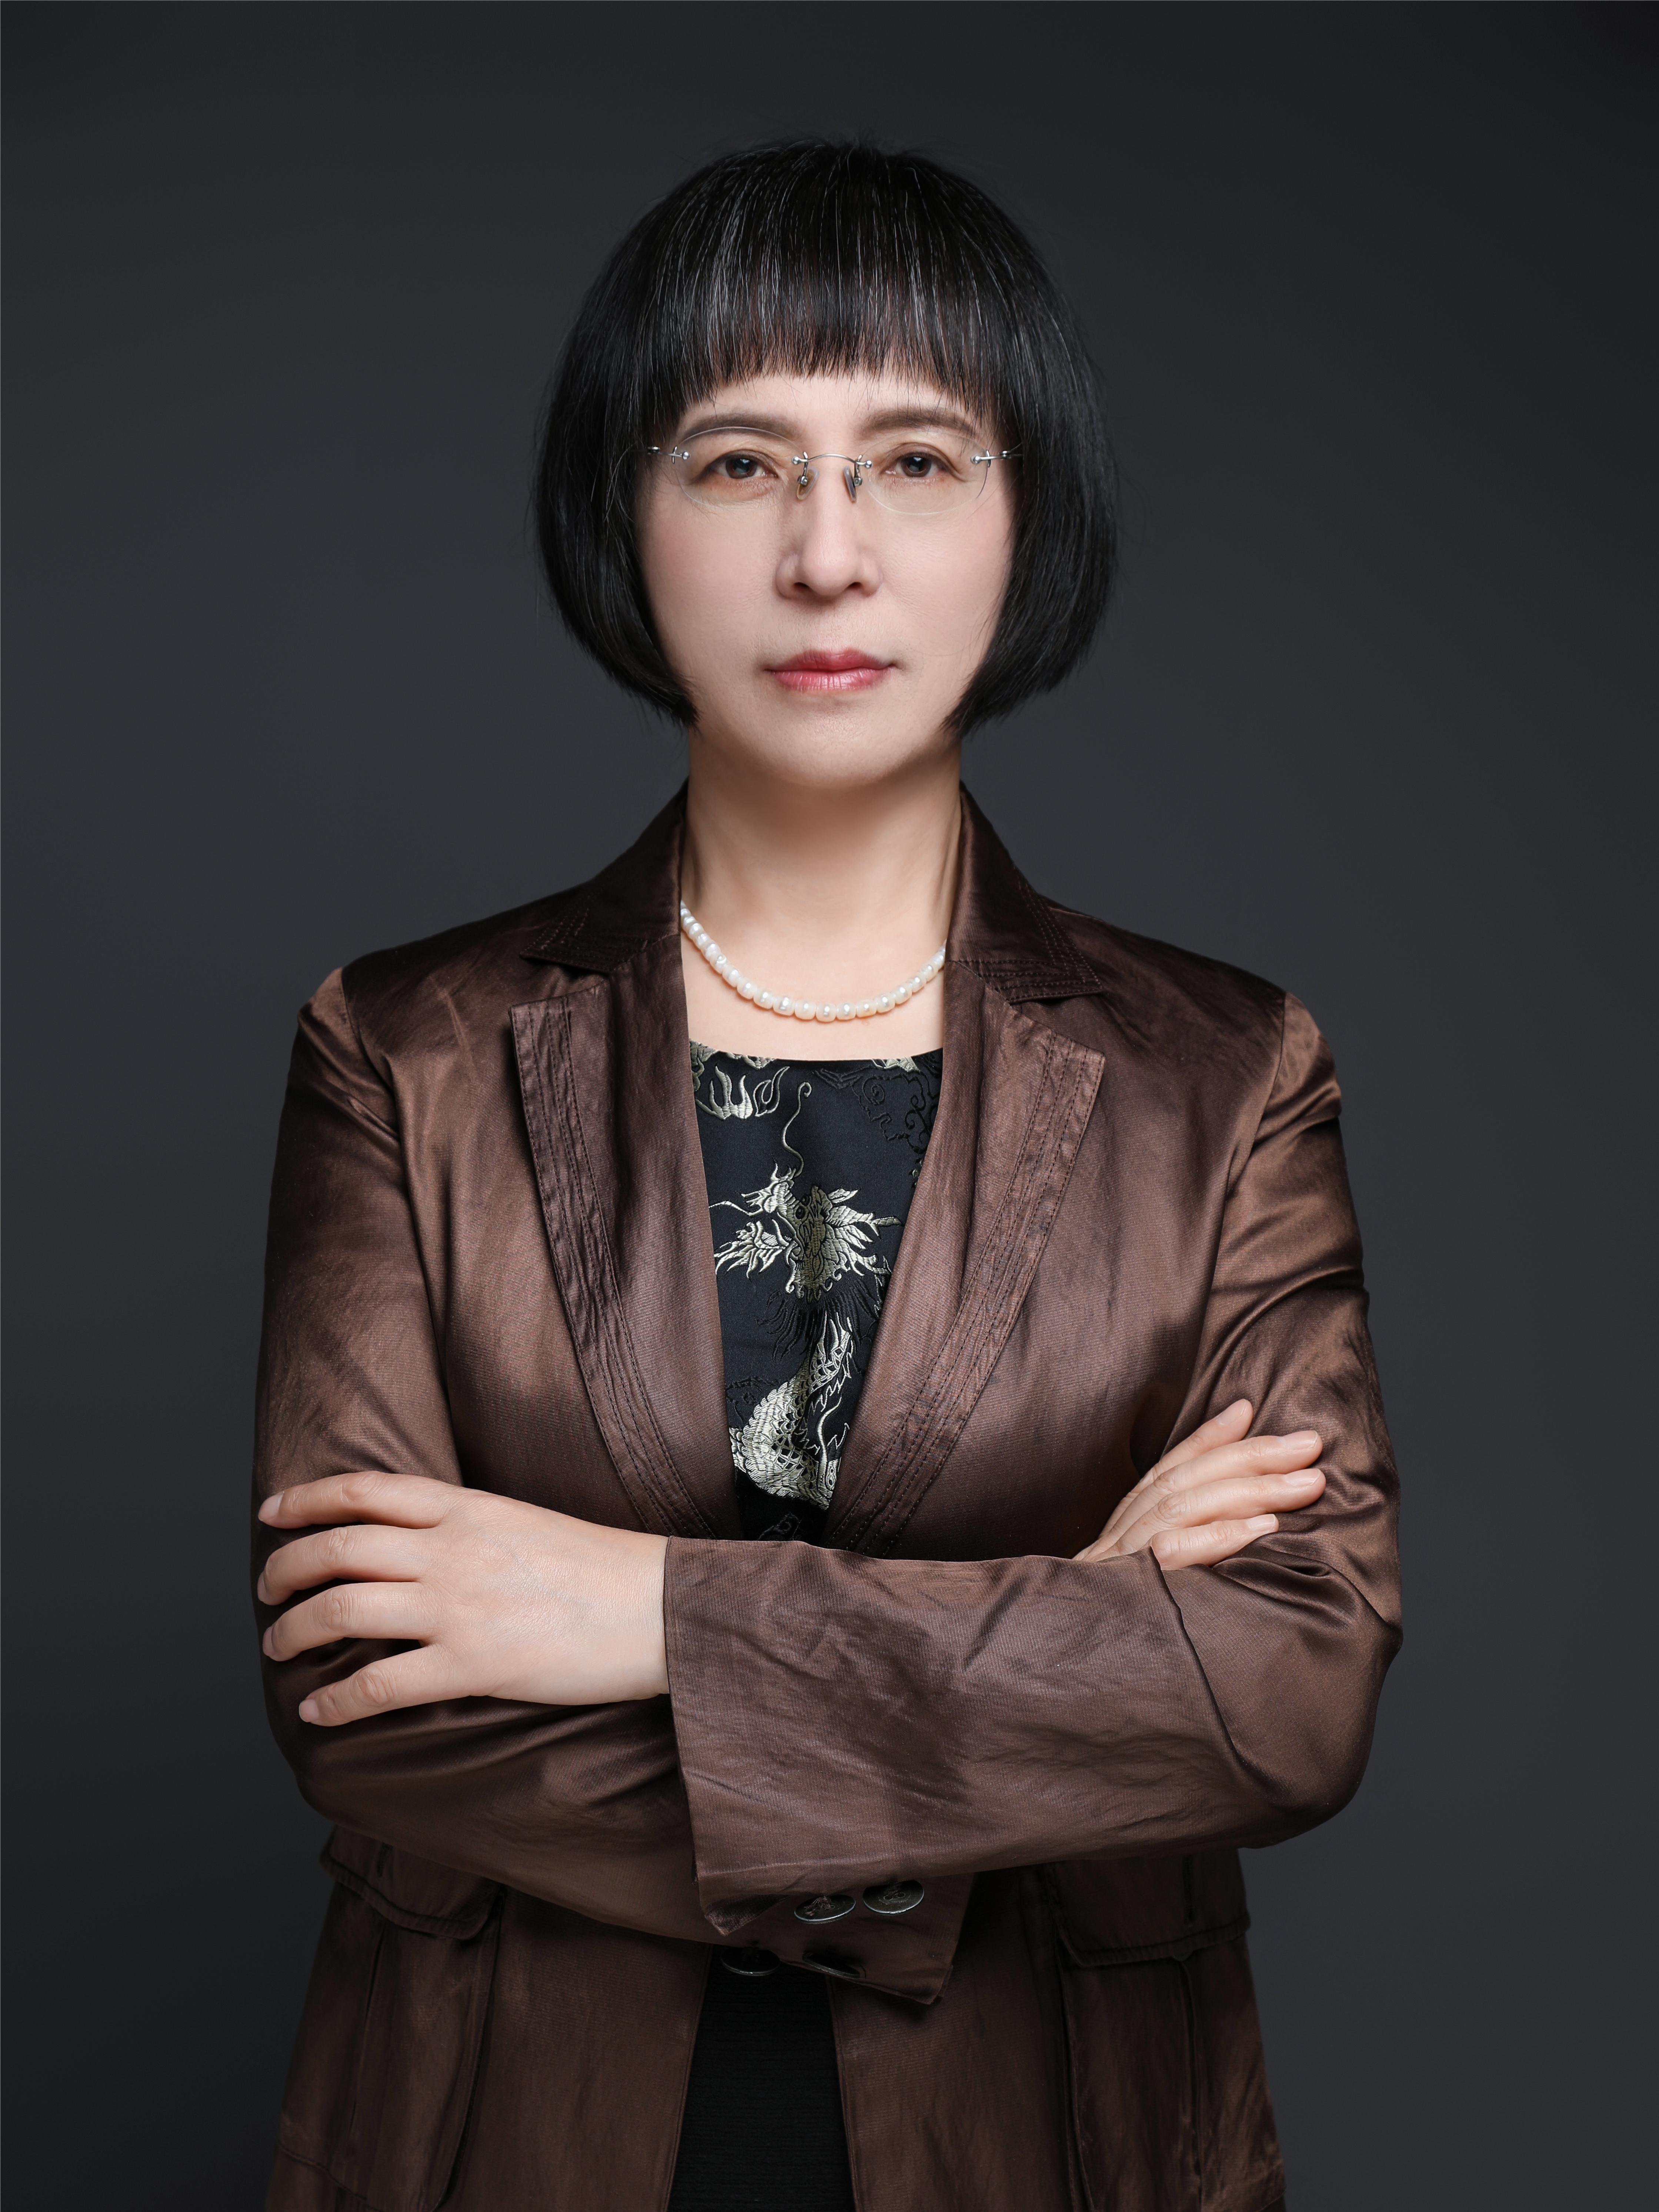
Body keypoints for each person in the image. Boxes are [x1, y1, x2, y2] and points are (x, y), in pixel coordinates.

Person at [253, 139, 1399, 2212]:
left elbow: (1285, 1689)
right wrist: (1081, 1634)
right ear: (627, 513)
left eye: (918, 462)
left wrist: (644, 1612)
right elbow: (366, 1698)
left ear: (1027, 516)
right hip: (504, 2137)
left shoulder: (1225, 1078)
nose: (829, 557)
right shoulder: (403, 1052)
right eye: (739, 464)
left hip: (1065, 2142)